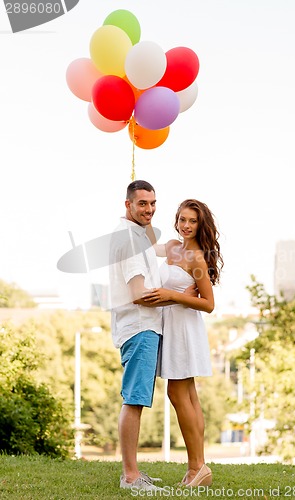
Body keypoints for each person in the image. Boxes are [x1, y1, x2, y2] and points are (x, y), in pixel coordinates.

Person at [141, 199, 224, 487]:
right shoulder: (173, 248)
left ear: (200, 225)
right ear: (176, 221)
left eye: (192, 221)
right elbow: (145, 246)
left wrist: (172, 295)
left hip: (185, 330)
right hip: (171, 326)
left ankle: (196, 467)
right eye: (182, 220)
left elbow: (209, 303)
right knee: (187, 395)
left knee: (178, 394)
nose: (186, 226)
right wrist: (136, 219)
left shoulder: (197, 258)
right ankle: (198, 469)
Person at [109, 180, 164, 492]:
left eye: (153, 203)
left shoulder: (134, 236)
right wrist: (178, 297)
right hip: (140, 326)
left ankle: (133, 472)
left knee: (135, 400)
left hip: (140, 327)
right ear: (127, 204)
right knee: (134, 400)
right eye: (142, 203)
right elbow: (138, 293)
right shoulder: (130, 239)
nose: (149, 209)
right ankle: (131, 477)